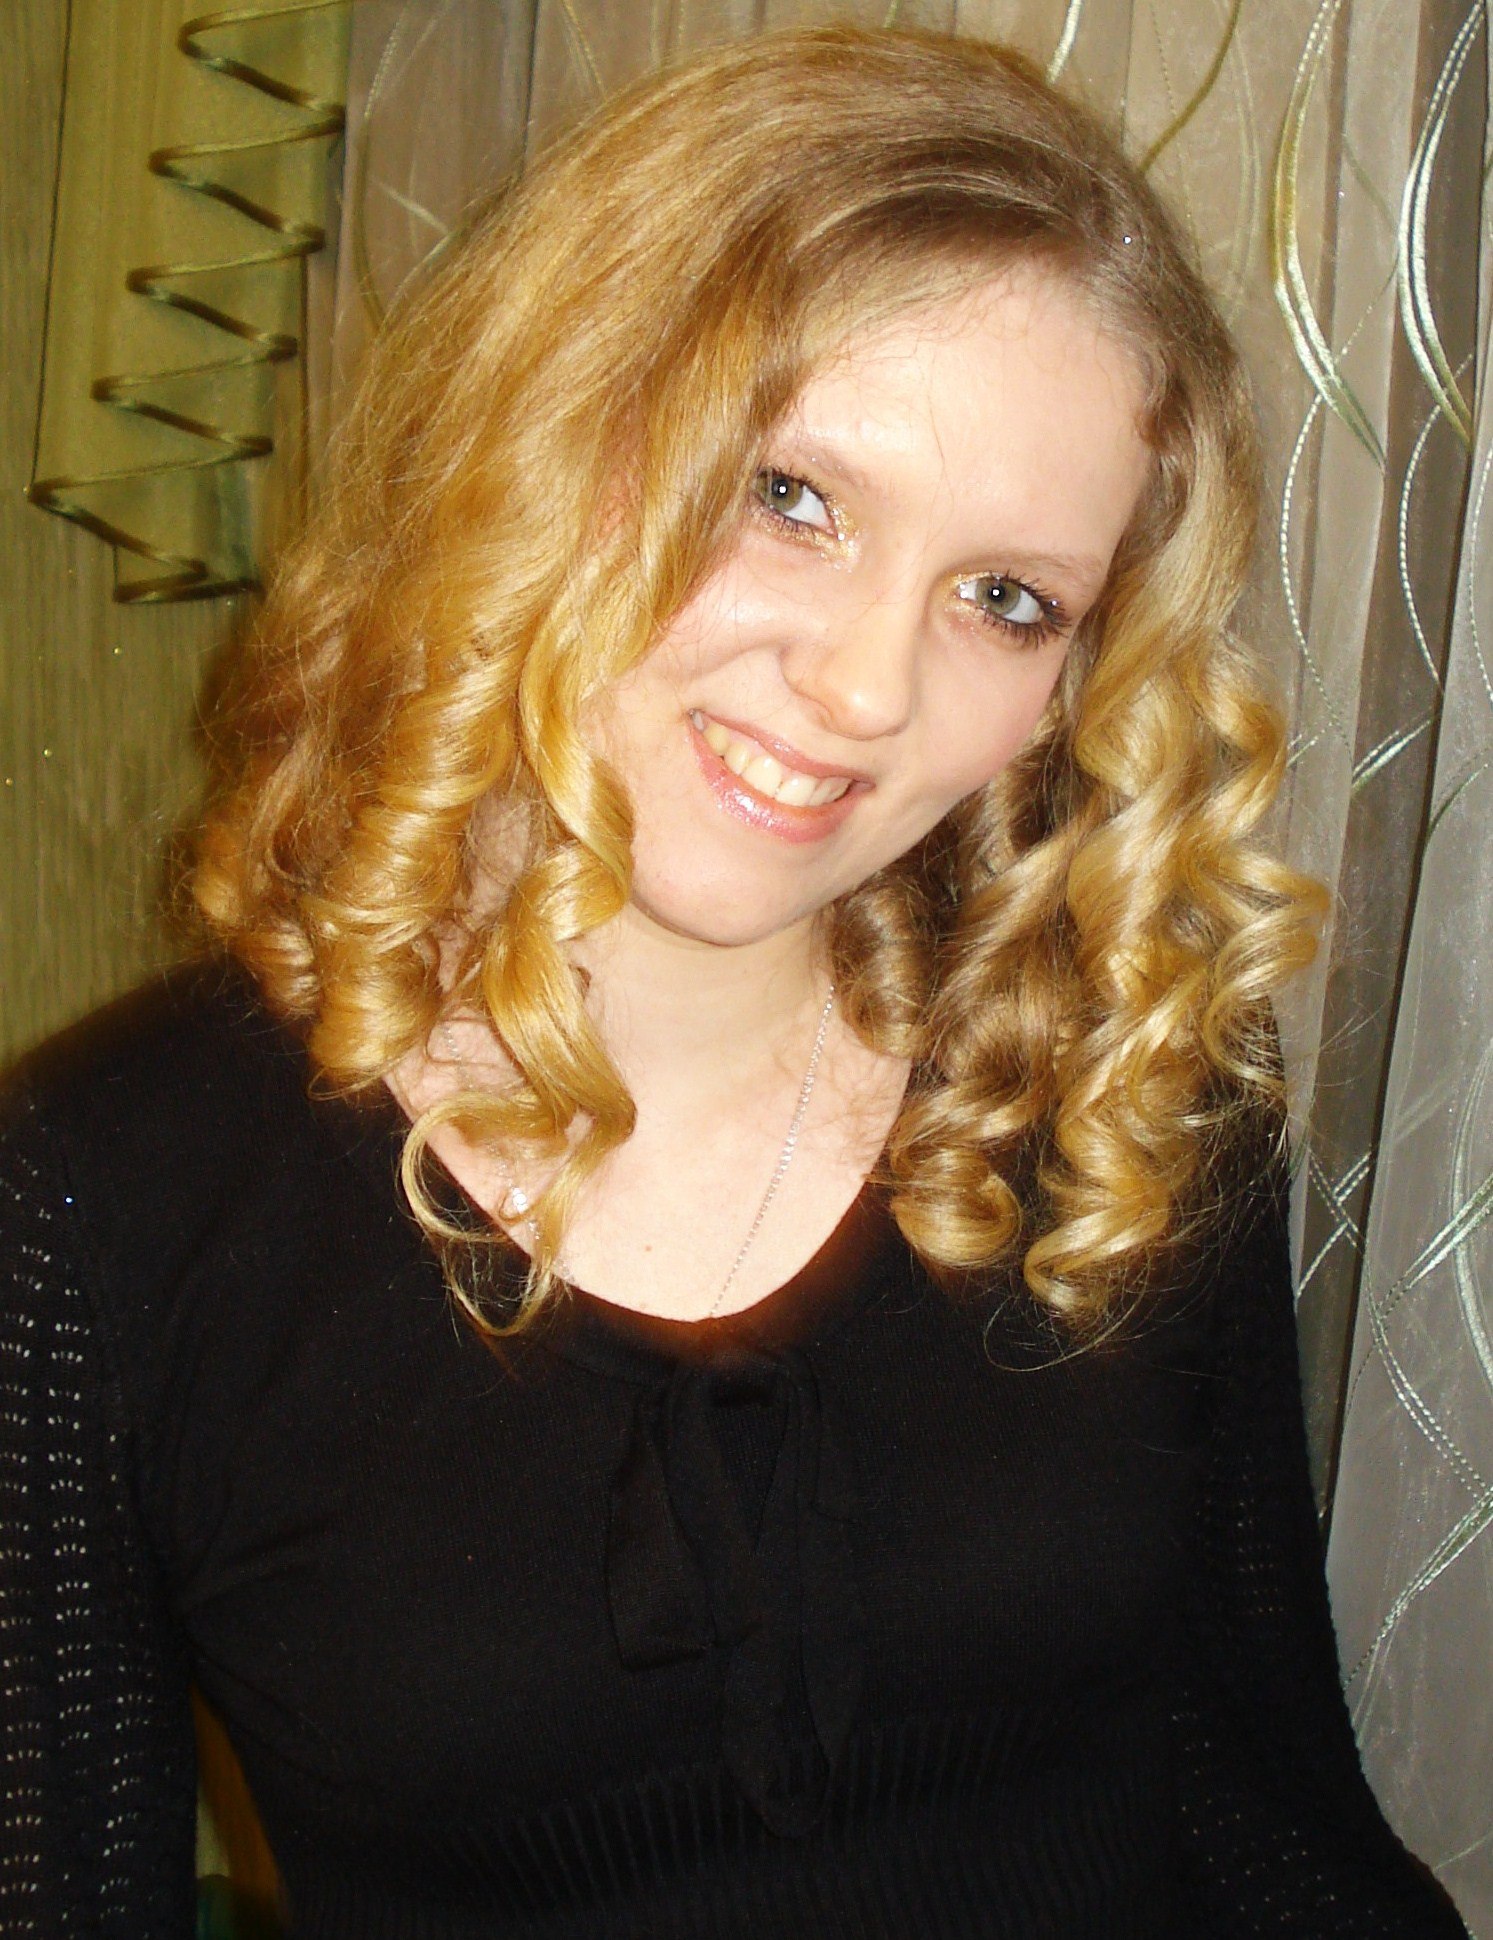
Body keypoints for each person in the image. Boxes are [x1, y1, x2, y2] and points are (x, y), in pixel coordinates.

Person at [0, 25, 1468, 1939]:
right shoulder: (99, 1208)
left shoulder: (1125, 1095)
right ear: (550, 435)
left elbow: (1268, 1822)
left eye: (1004, 598)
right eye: (790, 495)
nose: (862, 687)